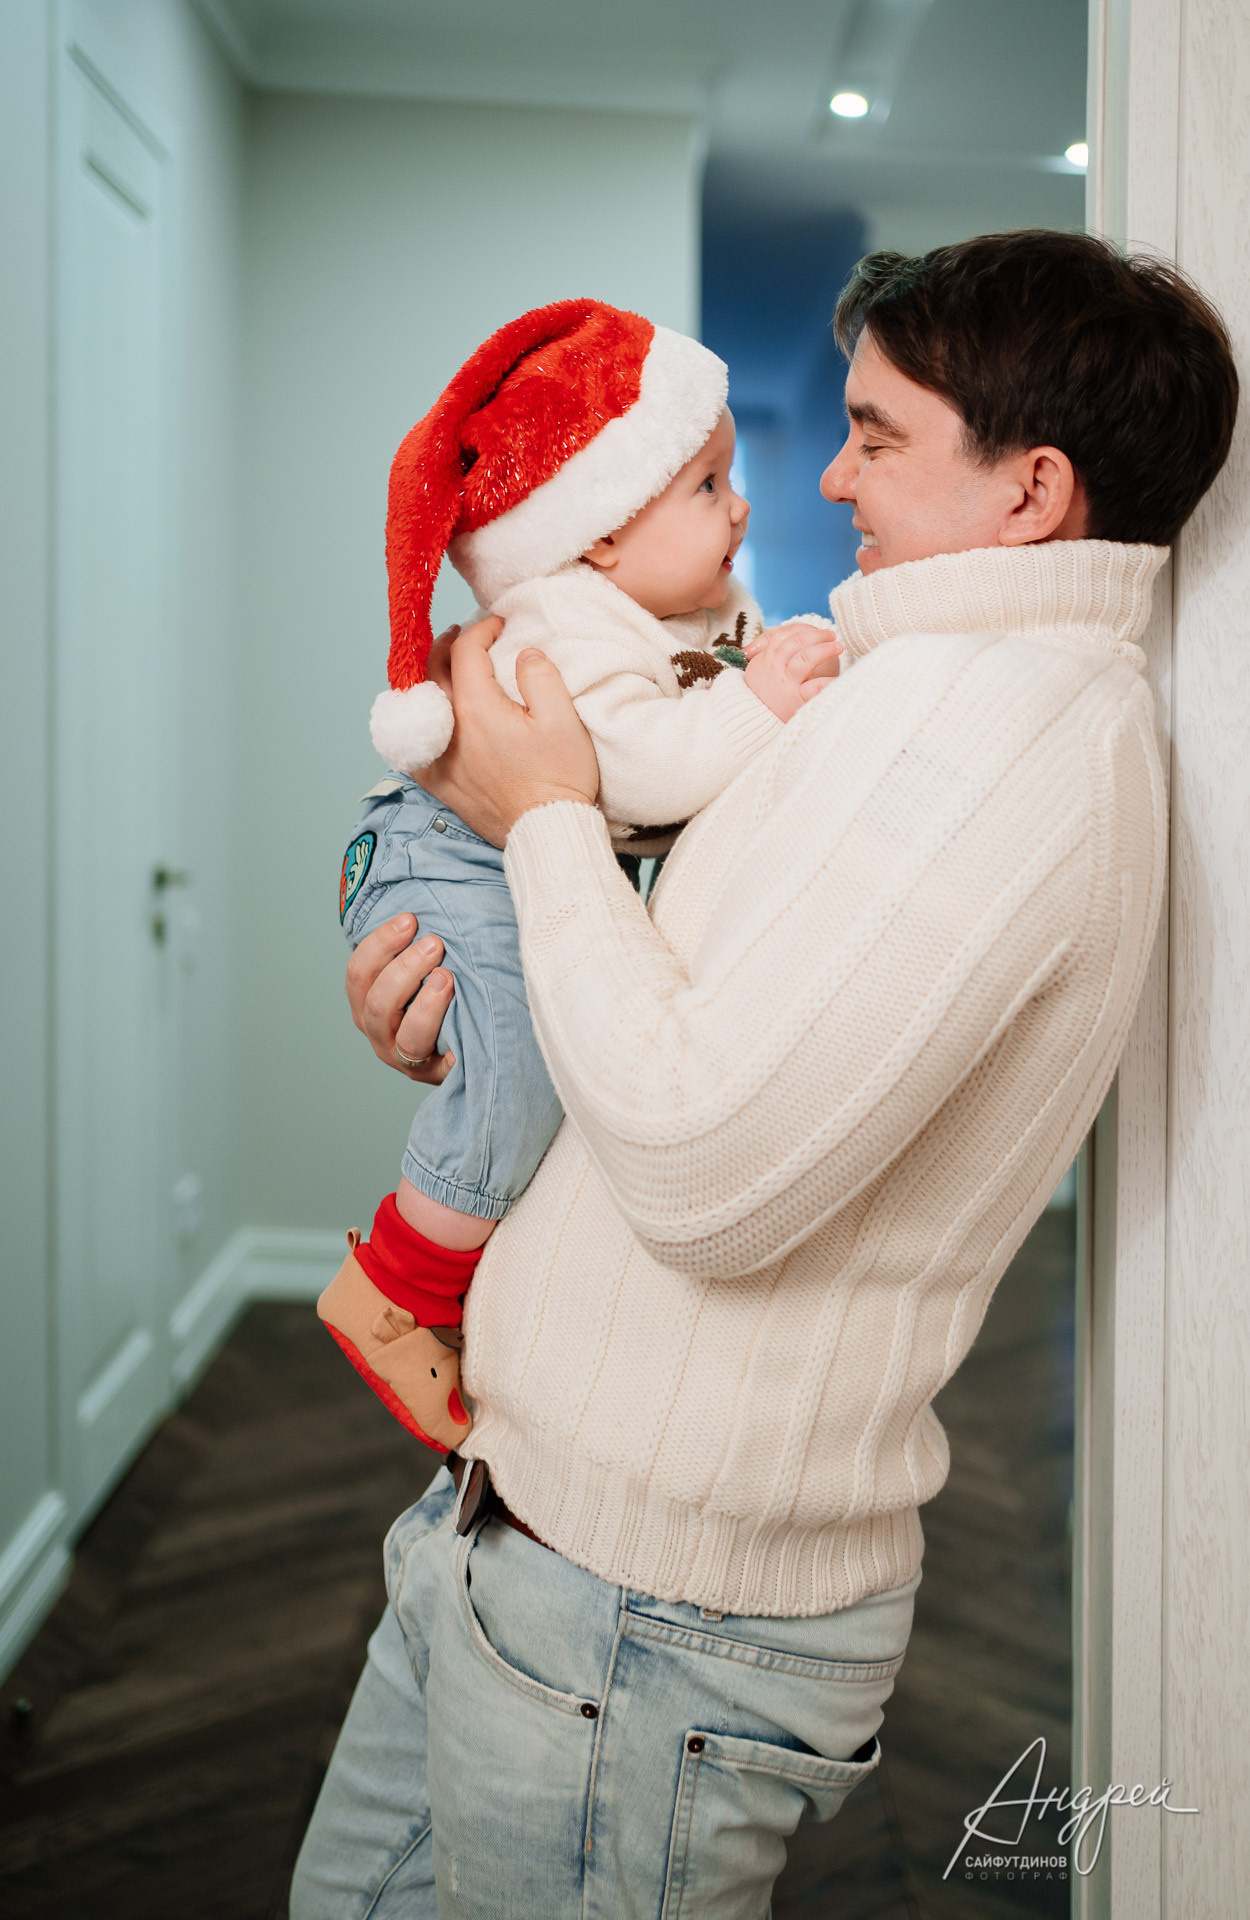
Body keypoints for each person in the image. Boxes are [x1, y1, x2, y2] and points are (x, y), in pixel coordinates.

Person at [290, 231, 1238, 1920]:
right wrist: (467, 1013)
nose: (824, 469)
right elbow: (664, 1012)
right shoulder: (908, 694)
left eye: (877, 433)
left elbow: (705, 1171)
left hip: (645, 1622)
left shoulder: (1010, 752)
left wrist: (549, 822)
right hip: (527, 1526)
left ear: (1028, 492)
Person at [320, 298, 841, 1452]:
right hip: (441, 854)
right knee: (514, 1067)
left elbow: (730, 688)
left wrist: (783, 673)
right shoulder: (564, 624)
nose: (741, 506)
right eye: (705, 486)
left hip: (496, 849)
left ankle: (440, 1276)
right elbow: (634, 770)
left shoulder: (690, 605)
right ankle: (402, 1292)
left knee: (540, 1059)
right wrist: (760, 704)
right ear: (597, 533)